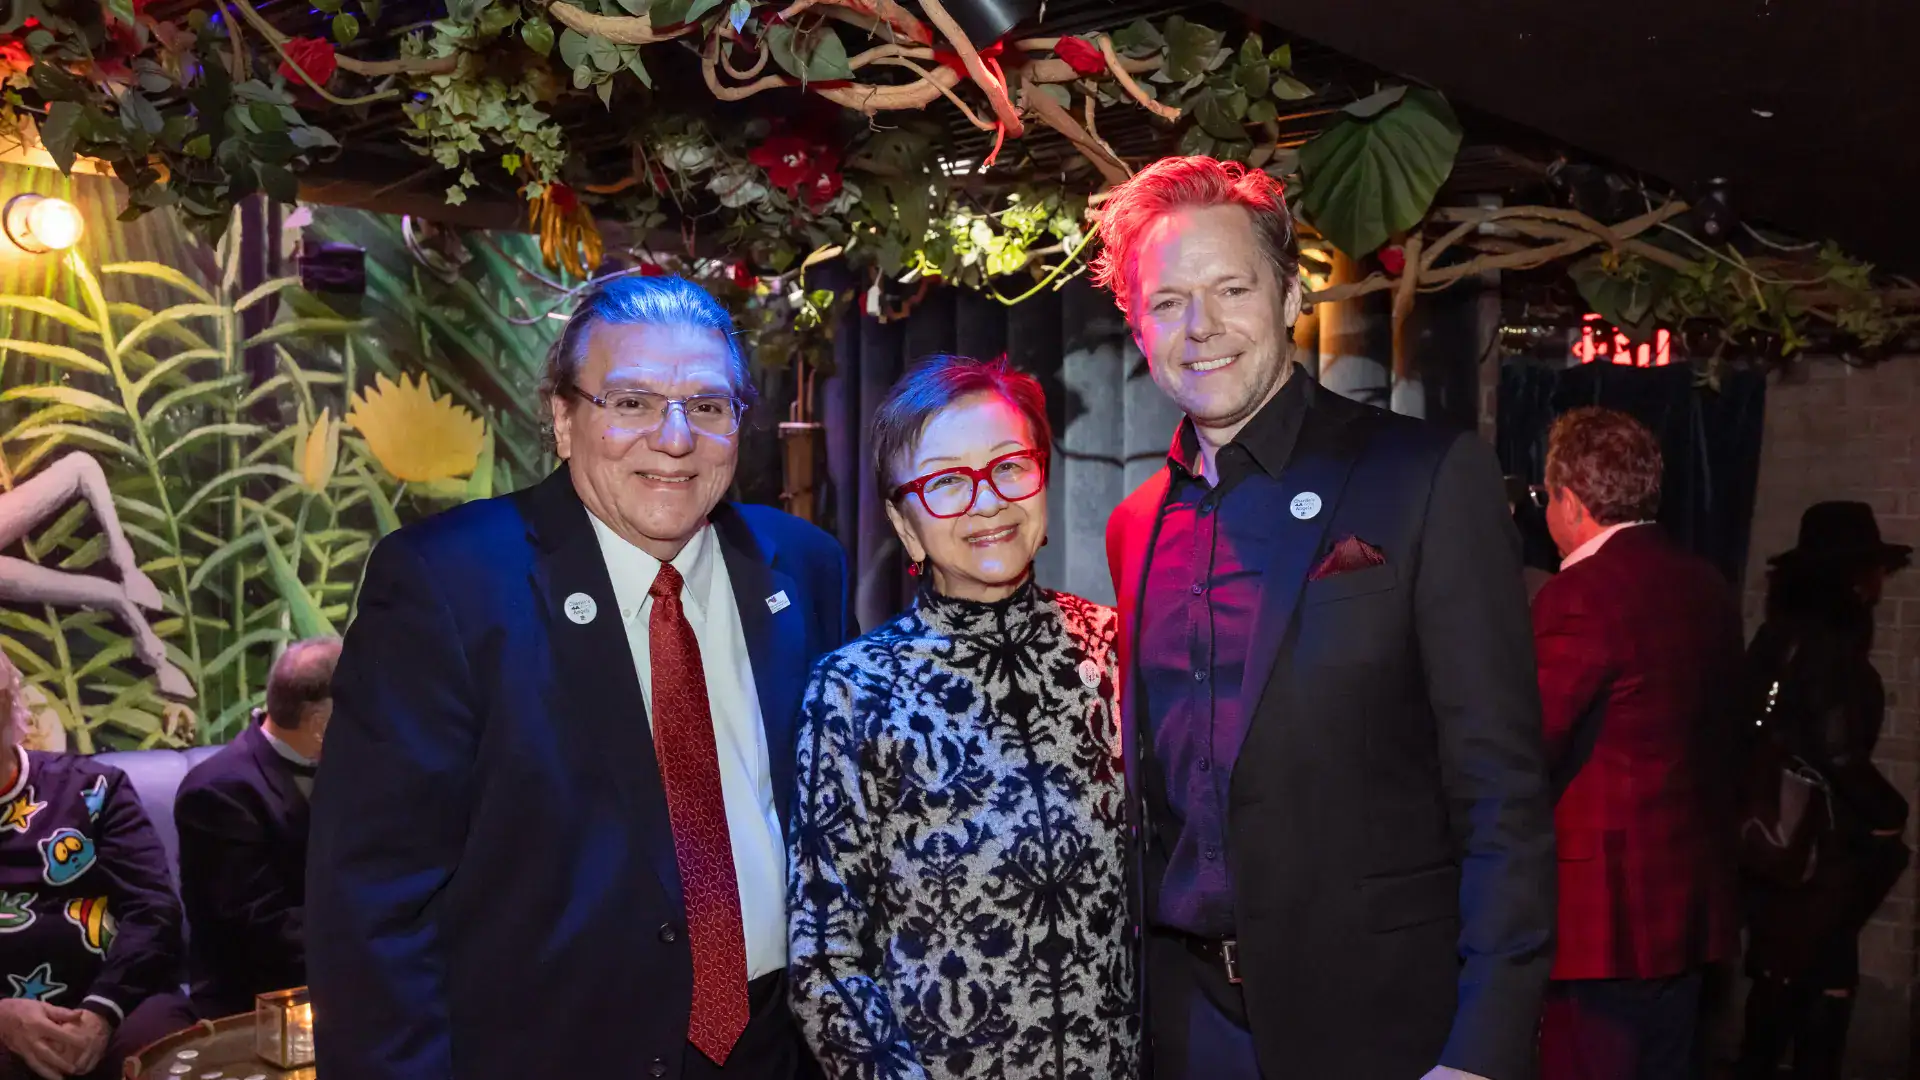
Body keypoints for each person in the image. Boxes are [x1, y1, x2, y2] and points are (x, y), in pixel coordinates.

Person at [308, 275, 854, 1080]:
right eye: (630, 402)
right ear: (564, 420)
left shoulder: (804, 566)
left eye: (707, 406)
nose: (674, 438)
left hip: (775, 1050)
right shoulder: (445, 587)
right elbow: (373, 908)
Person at [1092, 155, 1555, 1080]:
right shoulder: (1134, 525)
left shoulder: (1424, 476)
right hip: (1188, 1024)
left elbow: (1501, 789)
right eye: (1170, 300)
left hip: (1386, 1026)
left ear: (1290, 293)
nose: (1203, 327)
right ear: (1137, 325)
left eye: (1232, 288)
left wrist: (1484, 1048)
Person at [789, 356, 1138, 1080]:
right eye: (947, 481)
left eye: (1009, 466)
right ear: (903, 522)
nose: (987, 502)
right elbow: (826, 959)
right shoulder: (855, 691)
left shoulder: (1116, 650)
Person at [1528, 408, 1743, 1080]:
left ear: (1572, 498)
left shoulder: (1580, 594)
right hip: (1684, 908)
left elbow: (1525, 747)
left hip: (1597, 921)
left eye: (1544, 497)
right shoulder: (1704, 583)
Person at [1736, 502, 1911, 1080]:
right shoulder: (1831, 647)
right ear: (1852, 577)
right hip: (1817, 855)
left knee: (1782, 981)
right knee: (1819, 986)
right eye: (1874, 569)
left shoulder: (1776, 636)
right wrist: (1891, 813)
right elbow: (1839, 755)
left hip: (1771, 841)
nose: (1881, 582)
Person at [0, 653, 192, 1080]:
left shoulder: (95, 789)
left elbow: (154, 909)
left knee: (164, 1053)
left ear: (13, 705)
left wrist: (101, 1011)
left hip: (117, 997)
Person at [175, 636, 341, 1020]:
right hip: (258, 1002)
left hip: (352, 976)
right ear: (320, 724)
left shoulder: (361, 769)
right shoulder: (217, 793)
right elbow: (260, 926)